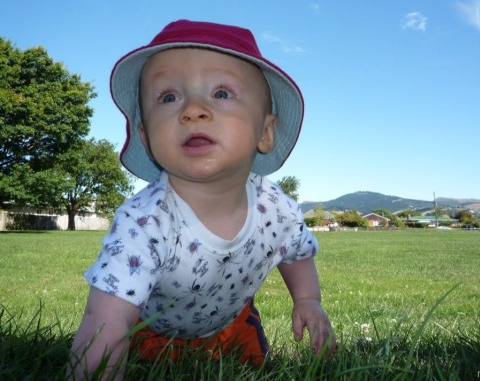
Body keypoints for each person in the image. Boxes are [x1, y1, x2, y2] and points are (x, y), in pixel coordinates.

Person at [67, 19, 336, 379]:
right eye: (169, 97)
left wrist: (307, 299)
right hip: (149, 330)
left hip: (230, 325)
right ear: (146, 137)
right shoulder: (145, 222)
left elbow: (298, 252)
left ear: (266, 131)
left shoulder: (277, 208)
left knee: (255, 370)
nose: (193, 110)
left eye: (221, 93)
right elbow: (107, 320)